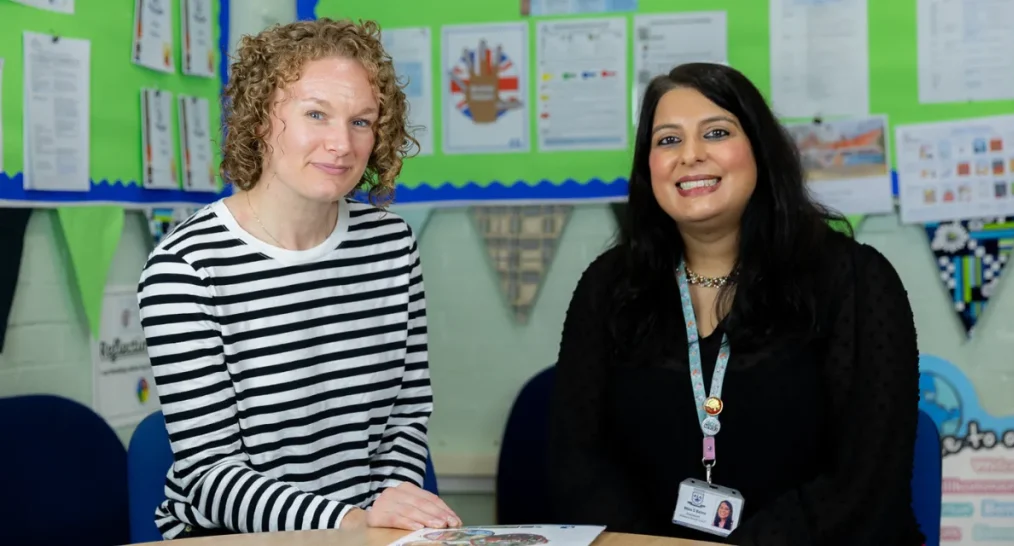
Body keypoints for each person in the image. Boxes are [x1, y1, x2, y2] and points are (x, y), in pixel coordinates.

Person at [546, 62, 924, 545]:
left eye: (717, 132)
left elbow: (867, 482)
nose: (690, 155)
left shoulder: (855, 278)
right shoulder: (609, 286)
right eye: (667, 140)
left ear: (761, 152)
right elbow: (577, 461)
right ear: (648, 169)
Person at [137, 18, 460, 539]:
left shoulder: (390, 244)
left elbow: (406, 412)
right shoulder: (186, 268)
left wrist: (387, 508)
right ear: (261, 118)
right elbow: (210, 475)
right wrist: (350, 522)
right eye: (316, 114)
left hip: (364, 531)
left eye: (362, 121)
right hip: (230, 537)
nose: (342, 144)